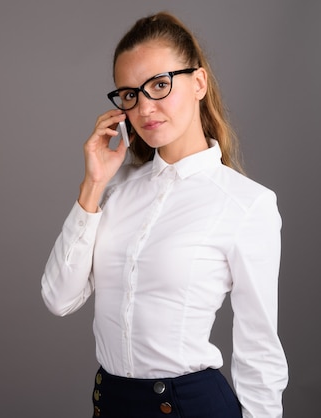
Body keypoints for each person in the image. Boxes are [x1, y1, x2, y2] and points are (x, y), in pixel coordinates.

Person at [41, 11, 288, 418]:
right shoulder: (116, 191)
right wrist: (93, 184)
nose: (145, 107)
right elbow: (58, 298)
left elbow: (259, 348)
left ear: (199, 83)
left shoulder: (246, 204)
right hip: (110, 405)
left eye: (160, 84)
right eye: (130, 94)